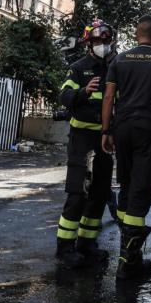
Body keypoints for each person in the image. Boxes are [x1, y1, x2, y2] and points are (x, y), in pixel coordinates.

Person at [101, 15, 151, 281]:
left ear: (136, 34)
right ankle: (129, 262)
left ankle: (128, 250)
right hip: (148, 129)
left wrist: (106, 130)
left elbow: (109, 96)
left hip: (122, 128)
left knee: (125, 181)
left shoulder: (119, 60)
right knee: (142, 188)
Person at [54, 19, 115, 268]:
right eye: (97, 41)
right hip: (81, 139)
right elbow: (64, 96)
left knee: (99, 193)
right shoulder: (79, 68)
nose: (102, 45)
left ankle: (87, 243)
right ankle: (64, 247)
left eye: (105, 41)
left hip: (105, 139)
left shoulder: (116, 67)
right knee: (78, 193)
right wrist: (83, 92)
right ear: (89, 43)